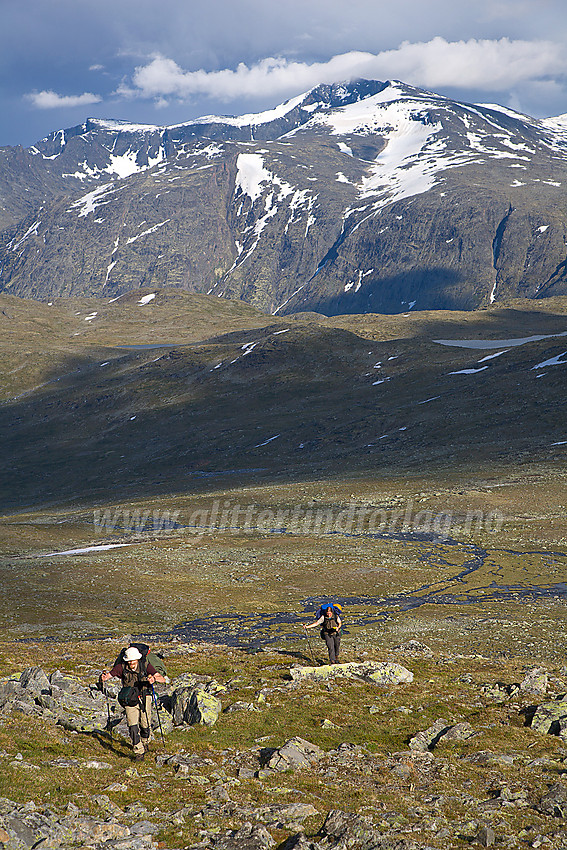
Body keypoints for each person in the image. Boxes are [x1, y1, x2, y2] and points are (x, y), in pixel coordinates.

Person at [101, 646, 166, 760]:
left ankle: (145, 742)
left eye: (133, 660)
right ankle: (139, 752)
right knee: (133, 727)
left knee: (145, 725)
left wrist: (154, 679)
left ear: (138, 659)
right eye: (129, 660)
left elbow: (162, 678)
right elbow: (109, 675)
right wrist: (104, 678)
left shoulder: (145, 665)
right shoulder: (121, 667)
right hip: (130, 701)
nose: (131, 662)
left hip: (145, 698)